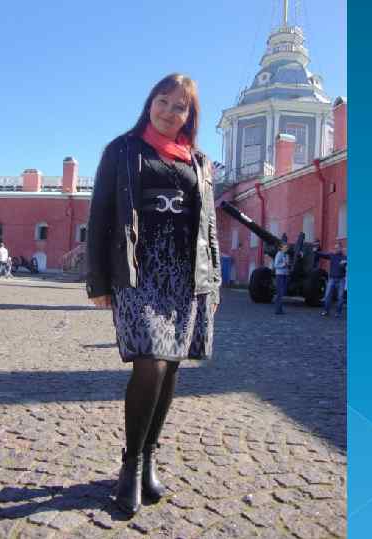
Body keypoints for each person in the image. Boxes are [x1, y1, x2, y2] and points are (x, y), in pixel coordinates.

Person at [86, 73, 221, 515]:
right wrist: (98, 281)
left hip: (185, 275)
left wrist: (214, 283)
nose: (168, 111)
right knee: (151, 363)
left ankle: (149, 459)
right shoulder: (122, 150)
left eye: (179, 106)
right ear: (150, 102)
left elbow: (210, 228)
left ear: (189, 115)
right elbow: (101, 215)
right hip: (138, 270)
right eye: (163, 101)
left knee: (171, 366)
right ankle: (130, 465)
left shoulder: (199, 162)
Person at [316, 241, 347, 317]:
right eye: (335, 248)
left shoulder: (345, 258)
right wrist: (316, 251)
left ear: (341, 248)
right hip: (332, 279)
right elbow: (322, 255)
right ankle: (326, 311)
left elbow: (346, 269)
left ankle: (338, 313)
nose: (336, 249)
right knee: (327, 296)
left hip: (341, 280)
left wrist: (344, 264)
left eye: (337, 248)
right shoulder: (332, 255)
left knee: (340, 297)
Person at [274, 243, 290, 315]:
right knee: (279, 293)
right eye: (285, 247)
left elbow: (287, 264)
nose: (286, 248)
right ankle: (278, 310)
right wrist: (284, 264)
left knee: (282, 292)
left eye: (287, 247)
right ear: (281, 248)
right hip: (280, 275)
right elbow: (276, 265)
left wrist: (288, 265)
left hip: (285, 275)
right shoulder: (279, 254)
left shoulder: (286, 255)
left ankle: (280, 309)